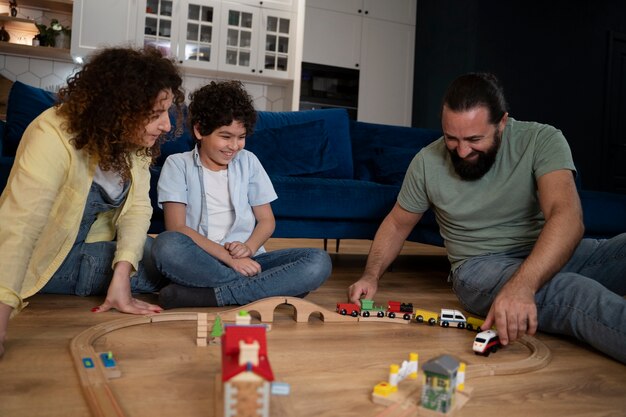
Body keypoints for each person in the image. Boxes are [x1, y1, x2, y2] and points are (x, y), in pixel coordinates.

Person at [348, 72, 626, 364]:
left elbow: (567, 216)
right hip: (480, 267)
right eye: (451, 138)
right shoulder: (426, 163)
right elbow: (396, 223)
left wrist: (522, 286)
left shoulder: (541, 139)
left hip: (544, 250)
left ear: (502, 123)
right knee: (575, 293)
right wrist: (370, 274)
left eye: (474, 139)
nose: (462, 150)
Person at [0, 47, 186, 358]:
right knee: (166, 256)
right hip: (44, 260)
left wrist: (121, 279)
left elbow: (139, 209)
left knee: (167, 251)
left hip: (92, 248)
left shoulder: (131, 141)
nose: (167, 126)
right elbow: (20, 226)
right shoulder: (52, 133)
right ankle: (232, 288)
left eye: (166, 112)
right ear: (118, 111)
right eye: (155, 115)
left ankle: (225, 286)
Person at [152, 80, 332, 308]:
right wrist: (228, 259)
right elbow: (177, 228)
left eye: (241, 137)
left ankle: (210, 296)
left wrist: (249, 248)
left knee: (318, 261)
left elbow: (266, 221)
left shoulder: (249, 161)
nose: (234, 146)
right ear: (199, 130)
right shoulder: (177, 165)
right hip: (200, 261)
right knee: (166, 245)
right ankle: (271, 290)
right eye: (226, 136)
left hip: (251, 260)